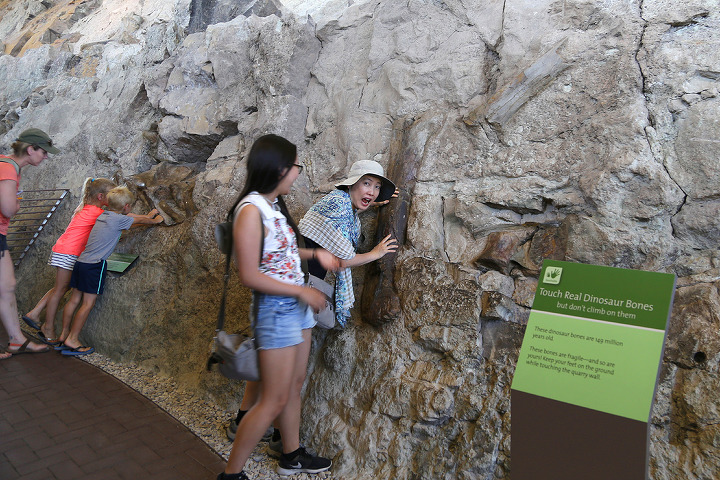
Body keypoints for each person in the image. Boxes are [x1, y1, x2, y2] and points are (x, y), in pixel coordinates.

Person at [226, 159, 399, 455]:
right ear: (351, 184)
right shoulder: (337, 205)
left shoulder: (344, 207)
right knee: (289, 379)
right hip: (297, 292)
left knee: (270, 365)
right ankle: (279, 445)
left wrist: (377, 200)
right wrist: (375, 253)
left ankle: (253, 427)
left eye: (377, 185)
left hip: (293, 289)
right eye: (366, 183)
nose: (371, 191)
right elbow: (342, 258)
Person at [219, 134, 338, 480]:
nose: (298, 173)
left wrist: (314, 254)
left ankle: (291, 455)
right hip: (276, 312)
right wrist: (301, 293)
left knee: (293, 386)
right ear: (279, 168)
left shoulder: (271, 207)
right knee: (271, 400)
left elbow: (280, 253)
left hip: (294, 308)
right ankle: (231, 473)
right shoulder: (250, 210)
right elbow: (250, 275)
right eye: (295, 166)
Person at [56, 185, 163, 356]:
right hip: (94, 266)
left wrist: (147, 216)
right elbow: (138, 221)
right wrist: (153, 219)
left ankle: (63, 335)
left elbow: (128, 220)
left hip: (81, 262)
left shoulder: (104, 215)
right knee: (87, 304)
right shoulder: (119, 219)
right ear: (126, 207)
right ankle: (73, 339)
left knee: (74, 300)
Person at [21, 177, 117, 344]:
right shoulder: (98, 213)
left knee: (61, 287)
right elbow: (118, 222)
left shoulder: (85, 208)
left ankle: (35, 313)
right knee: (60, 290)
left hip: (63, 250)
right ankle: (48, 328)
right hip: (70, 252)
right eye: (112, 195)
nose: (114, 198)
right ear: (101, 197)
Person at [0, 128, 59, 358]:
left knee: (7, 286)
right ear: (30, 149)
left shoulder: (6, 164)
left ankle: (17, 340)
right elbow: (7, 208)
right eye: (43, 152)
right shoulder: (8, 169)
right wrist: (17, 203)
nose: (45, 157)